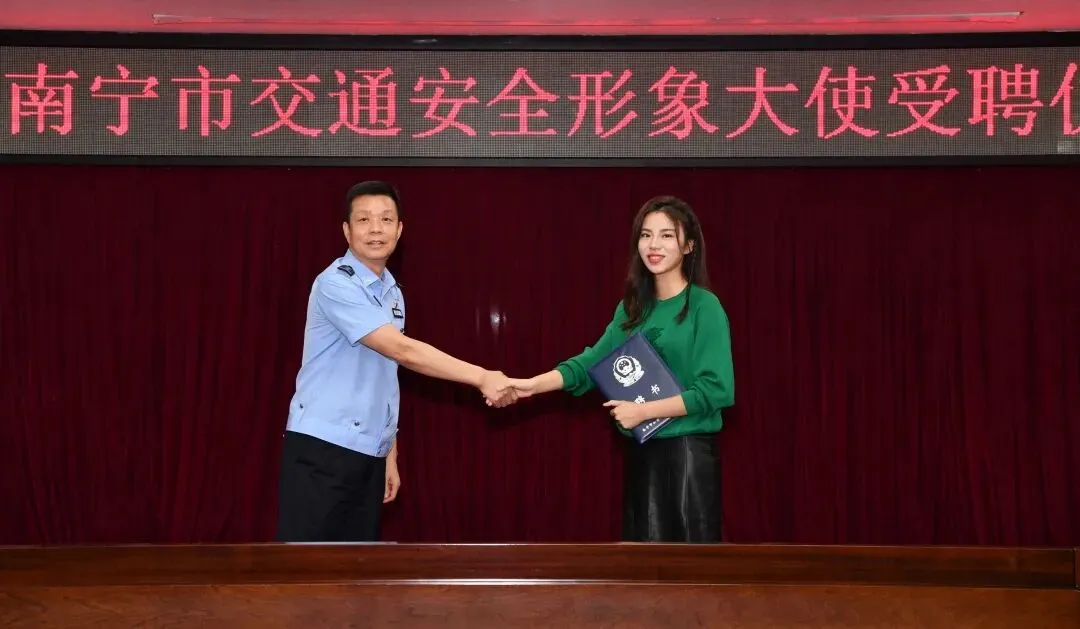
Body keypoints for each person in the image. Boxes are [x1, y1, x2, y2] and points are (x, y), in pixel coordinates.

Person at [276, 180, 515, 543]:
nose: (376, 229)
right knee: (307, 568)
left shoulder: (392, 291)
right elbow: (402, 351)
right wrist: (482, 377)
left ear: (400, 230)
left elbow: (386, 375)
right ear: (346, 230)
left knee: (359, 568)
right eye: (364, 220)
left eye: (386, 219)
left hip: (367, 452)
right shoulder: (335, 284)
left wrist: (388, 450)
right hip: (323, 449)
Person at [508, 195, 735, 543]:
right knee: (642, 563)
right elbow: (590, 364)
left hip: (689, 455)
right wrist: (530, 385)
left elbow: (716, 390)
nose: (653, 245)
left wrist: (643, 411)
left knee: (692, 567)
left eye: (667, 235)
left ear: (689, 245)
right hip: (642, 454)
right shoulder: (631, 309)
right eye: (646, 235)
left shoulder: (705, 307)